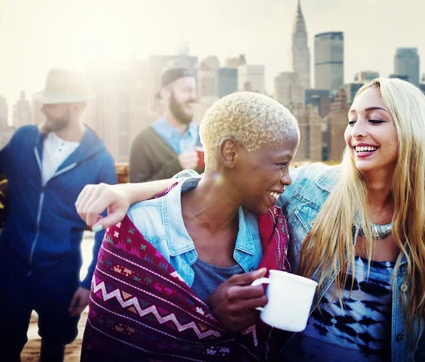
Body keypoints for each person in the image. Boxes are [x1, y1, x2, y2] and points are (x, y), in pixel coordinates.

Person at [77, 78, 425, 361]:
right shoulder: (313, 191)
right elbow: (221, 179)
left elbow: (423, 345)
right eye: (353, 119)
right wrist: (129, 191)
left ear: (411, 130)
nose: (356, 131)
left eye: (374, 120)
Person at [78, 92, 299, 361]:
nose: (288, 178)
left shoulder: (269, 231)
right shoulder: (140, 230)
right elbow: (112, 345)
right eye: (281, 164)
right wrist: (209, 316)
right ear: (230, 153)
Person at [0, 69, 118, 362]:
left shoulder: (100, 162)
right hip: (11, 267)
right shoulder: (24, 139)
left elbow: (106, 229)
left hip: (61, 274)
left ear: (76, 107)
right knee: (3, 350)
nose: (43, 108)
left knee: (54, 348)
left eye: (52, 103)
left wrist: (88, 282)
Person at [129, 64, 201, 183]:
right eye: (187, 90)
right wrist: (176, 167)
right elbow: (136, 194)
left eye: (194, 91)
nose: (193, 97)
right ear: (166, 93)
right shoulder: (143, 142)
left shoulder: (204, 136)